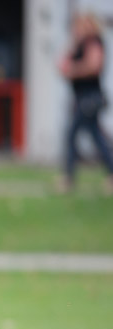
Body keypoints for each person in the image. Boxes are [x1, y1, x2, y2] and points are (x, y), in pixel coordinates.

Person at [58, 12, 113, 194]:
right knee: (95, 136)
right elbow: (61, 64)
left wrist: (72, 70)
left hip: (90, 98)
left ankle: (68, 178)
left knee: (72, 134)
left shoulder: (93, 42)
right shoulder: (78, 44)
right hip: (80, 97)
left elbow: (94, 66)